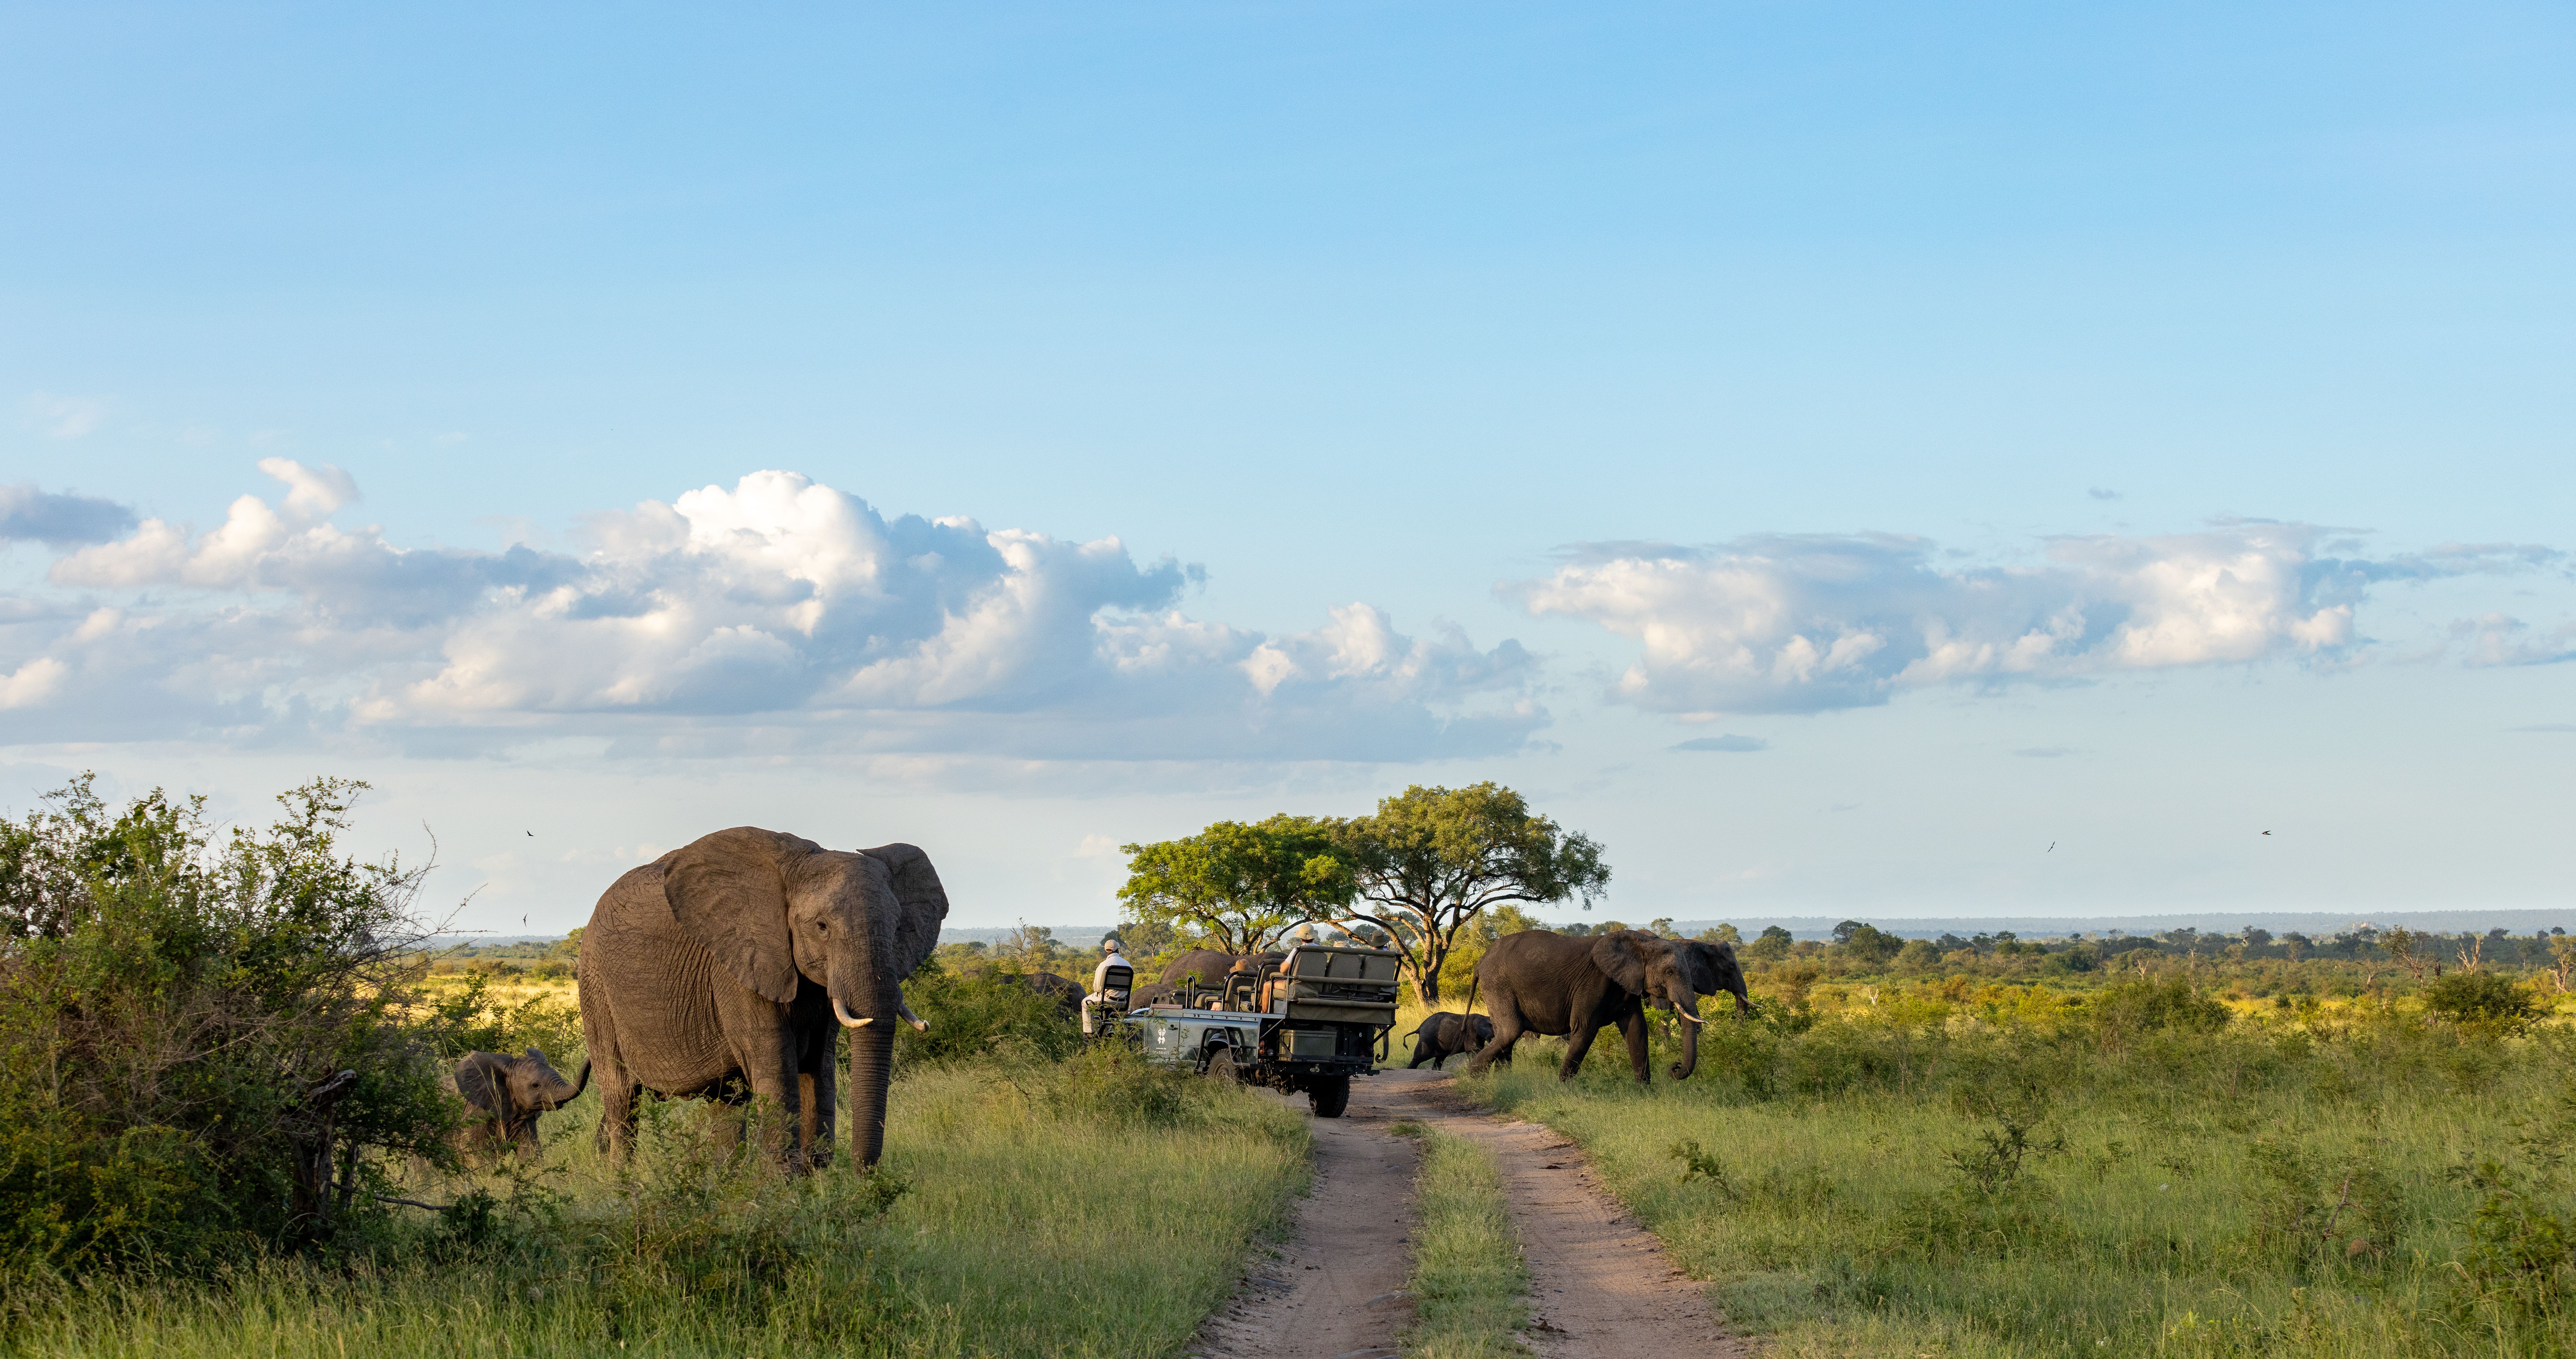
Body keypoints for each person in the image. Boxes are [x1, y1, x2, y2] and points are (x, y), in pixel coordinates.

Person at [1084, 938, 1138, 1035]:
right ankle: (1111, 1029)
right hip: (1124, 1002)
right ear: (1118, 950)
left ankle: (1089, 1033)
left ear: (1106, 951)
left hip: (1107, 1001)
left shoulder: (1103, 965)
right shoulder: (1128, 965)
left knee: (1085, 1003)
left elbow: (1097, 988)